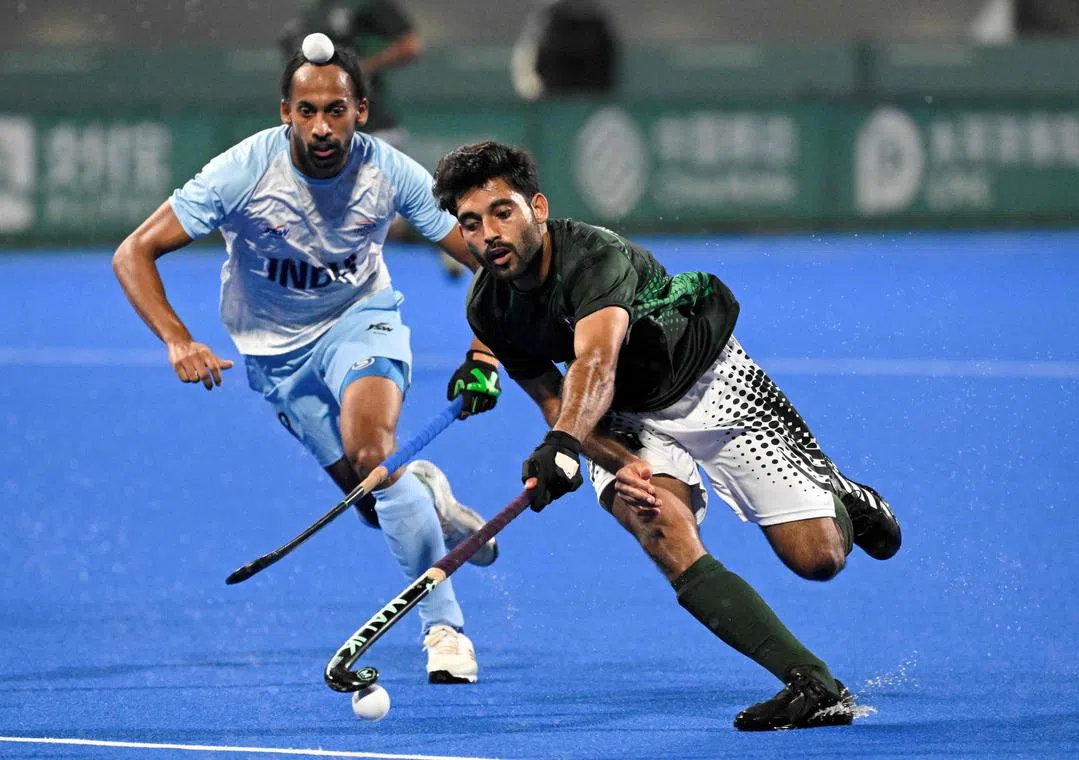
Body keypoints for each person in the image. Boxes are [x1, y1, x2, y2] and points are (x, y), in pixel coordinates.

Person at [433, 141, 902, 731]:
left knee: (819, 561)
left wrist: (564, 444)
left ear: (538, 208)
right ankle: (812, 685)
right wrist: (615, 458)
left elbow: (595, 364)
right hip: (619, 416)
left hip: (709, 383)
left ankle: (842, 495)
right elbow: (556, 401)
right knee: (658, 527)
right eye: (471, 223)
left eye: (503, 213)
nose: (489, 234)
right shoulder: (489, 307)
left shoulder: (593, 256)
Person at [111, 37, 506, 688]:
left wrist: (486, 349)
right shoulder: (241, 172)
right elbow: (134, 252)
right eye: (307, 110)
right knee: (372, 500)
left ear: (362, 111)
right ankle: (430, 499)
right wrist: (178, 340)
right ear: (286, 113)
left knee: (372, 455)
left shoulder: (391, 173)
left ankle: (445, 630)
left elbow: (489, 259)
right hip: (272, 354)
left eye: (337, 110)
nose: (322, 126)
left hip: (361, 323)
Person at [281, 0, 466, 279]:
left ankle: (453, 242)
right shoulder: (307, 16)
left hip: (373, 125)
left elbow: (410, 44)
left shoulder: (361, 5)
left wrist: (362, 69)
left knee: (383, 219)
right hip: (325, 130)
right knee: (339, 211)